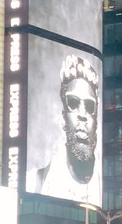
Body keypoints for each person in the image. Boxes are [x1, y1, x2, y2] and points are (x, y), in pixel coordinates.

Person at [28, 54, 102, 201]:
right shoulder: (34, 183)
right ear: (63, 118)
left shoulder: (104, 189)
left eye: (89, 106)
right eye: (73, 103)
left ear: (96, 120)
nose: (82, 114)